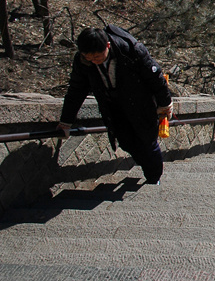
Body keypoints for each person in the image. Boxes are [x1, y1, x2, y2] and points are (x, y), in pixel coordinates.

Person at [57, 25, 173, 185]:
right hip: (113, 107)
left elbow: (155, 77)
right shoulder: (83, 62)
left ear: (108, 46)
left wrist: (165, 103)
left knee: (147, 141)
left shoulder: (130, 50)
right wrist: (65, 122)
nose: (93, 61)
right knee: (125, 142)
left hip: (140, 103)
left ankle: (153, 179)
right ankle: (148, 165)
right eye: (88, 57)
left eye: (97, 57)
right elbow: (76, 90)